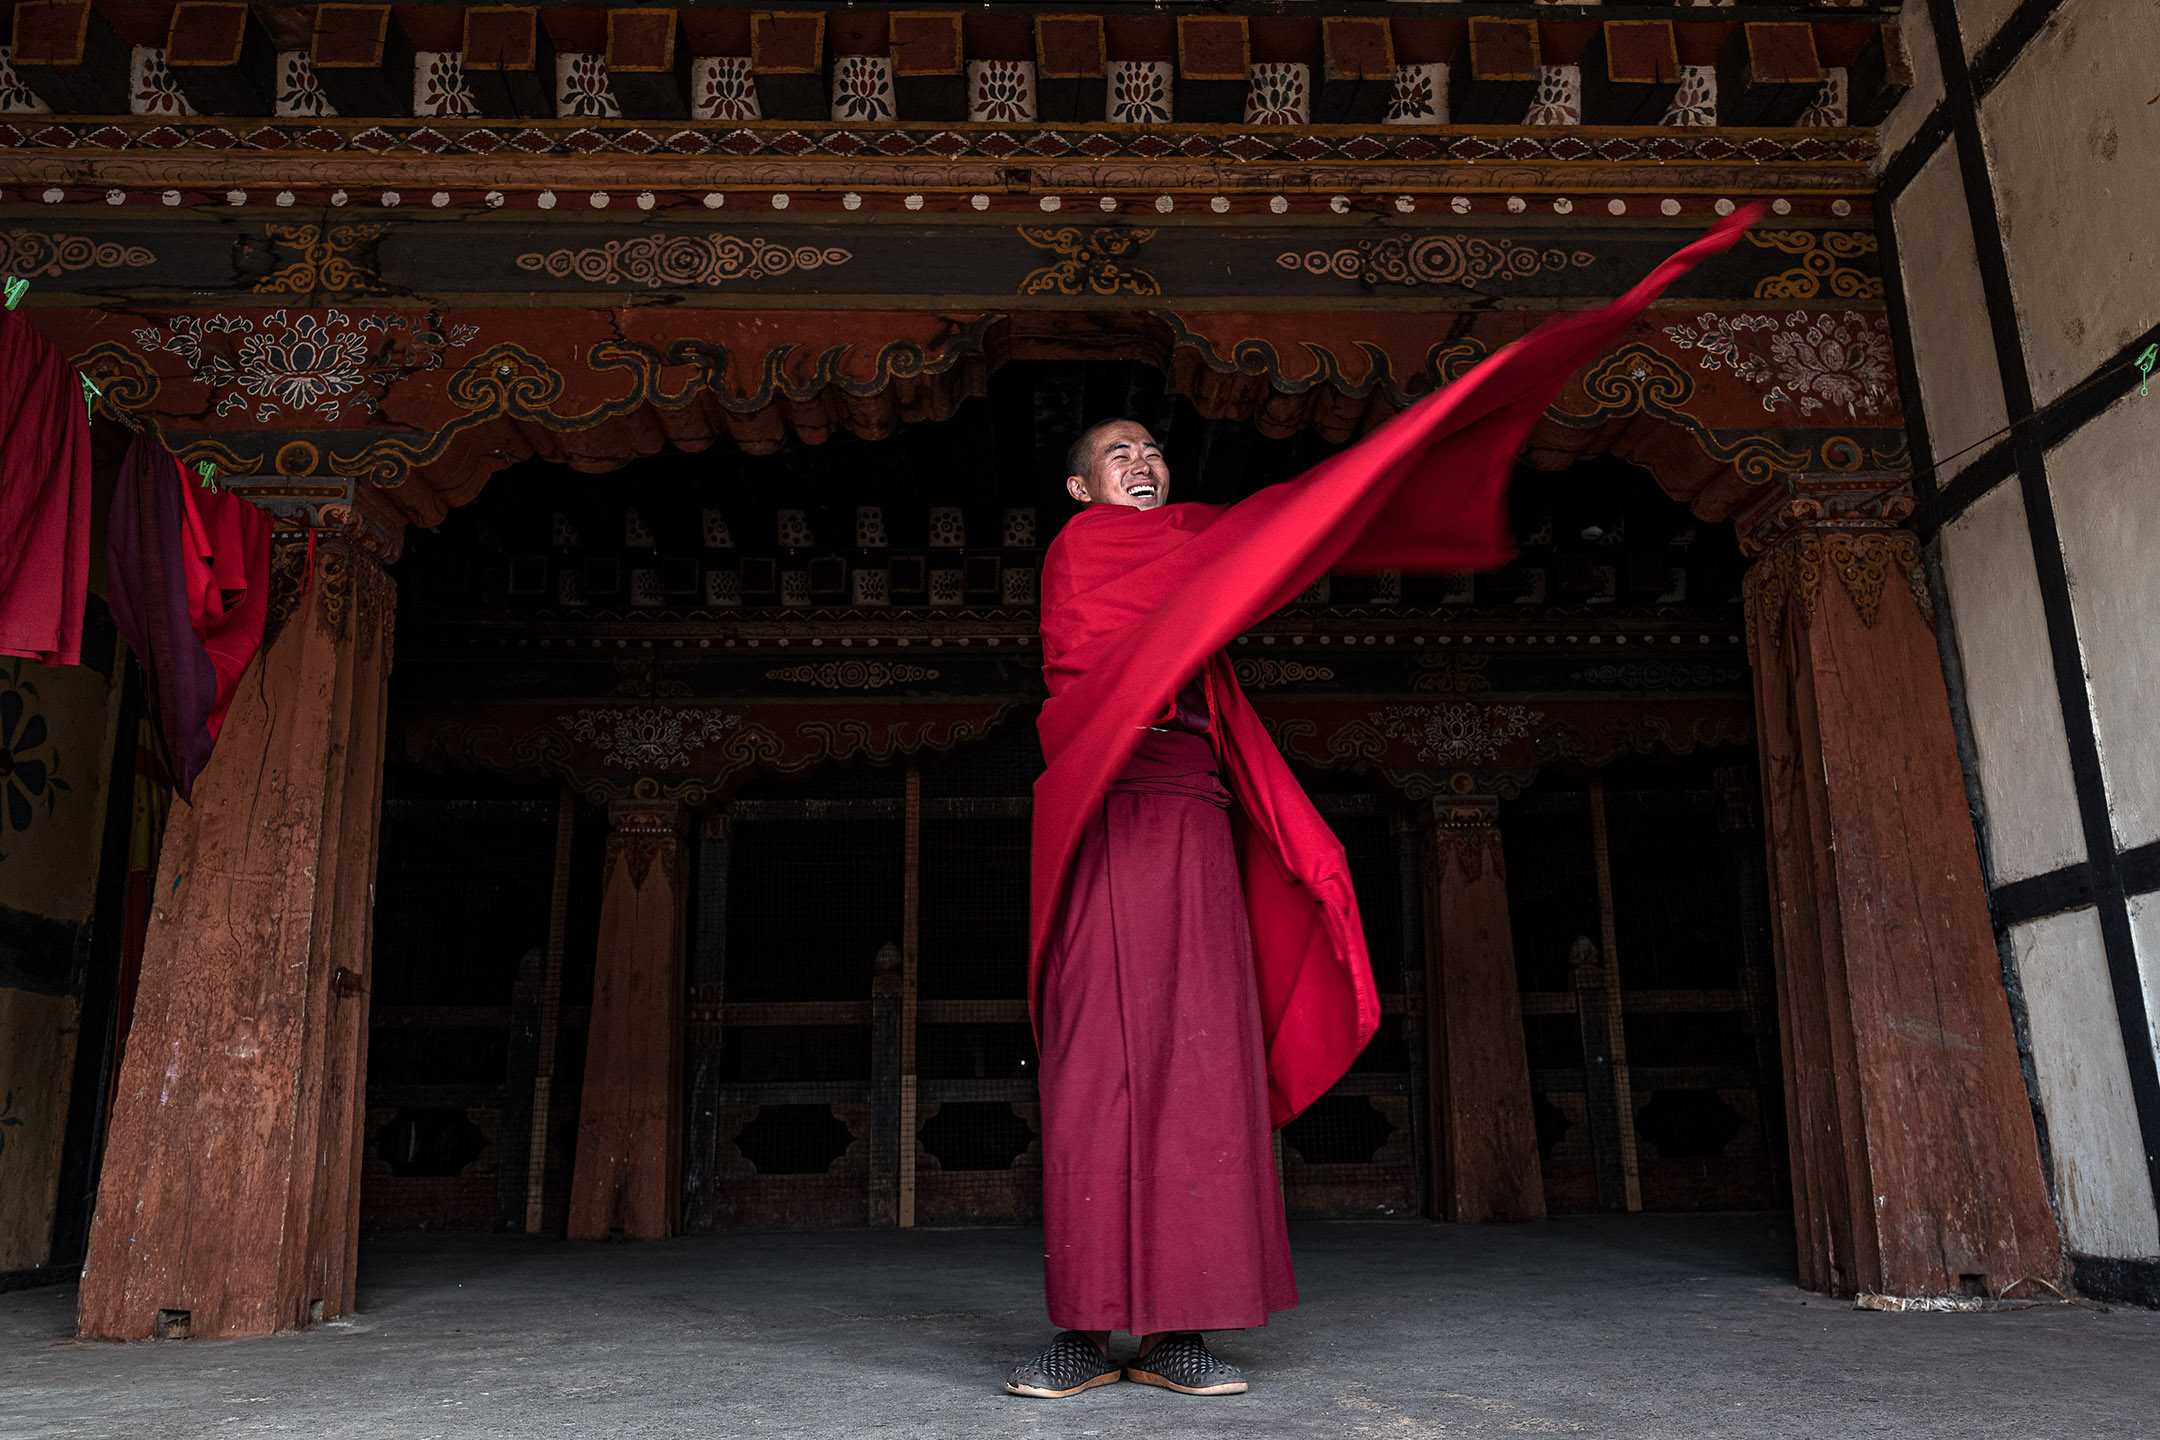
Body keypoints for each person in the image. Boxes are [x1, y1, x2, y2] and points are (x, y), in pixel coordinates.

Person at [1006, 210, 1759, 1400]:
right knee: (1096, 1071)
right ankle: (1082, 1325)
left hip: (1193, 824)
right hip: (1112, 823)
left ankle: (1185, 1330)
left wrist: (1387, 473)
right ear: (1078, 485)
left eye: (1153, 450)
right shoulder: (1088, 551)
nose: (1143, 464)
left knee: (1200, 1067)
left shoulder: (1196, 551)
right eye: (1119, 454)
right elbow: (1243, 552)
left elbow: (1266, 541)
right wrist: (1321, 505)